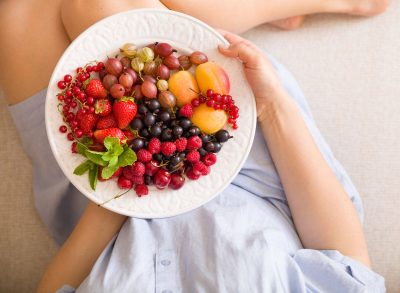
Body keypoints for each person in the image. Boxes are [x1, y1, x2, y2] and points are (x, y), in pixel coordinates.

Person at [0, 0, 387, 292]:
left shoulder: (110, 188)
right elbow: (346, 257)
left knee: (21, 10)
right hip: (233, 160)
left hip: (105, 191)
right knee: (97, 3)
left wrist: (121, 188)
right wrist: (272, 107)